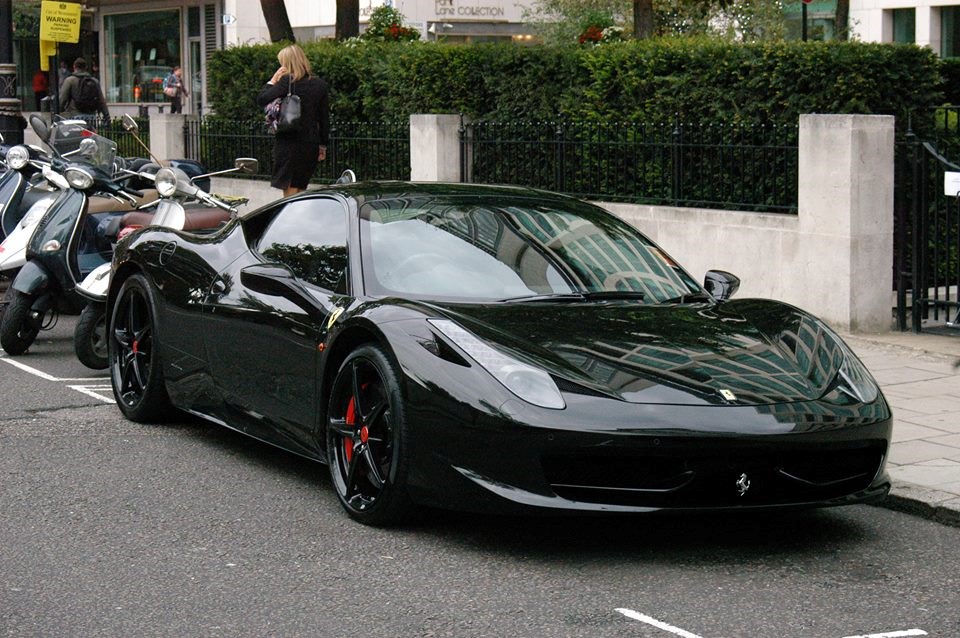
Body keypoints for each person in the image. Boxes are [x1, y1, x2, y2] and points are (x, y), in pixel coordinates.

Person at [255, 44, 330, 198]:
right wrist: (322, 146)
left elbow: (262, 99)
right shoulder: (320, 85)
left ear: (287, 63)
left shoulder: (286, 82)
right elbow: (324, 119)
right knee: (300, 188)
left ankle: (290, 221)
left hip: (288, 142)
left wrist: (272, 80)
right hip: (310, 144)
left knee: (289, 191)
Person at [59, 57, 109, 127]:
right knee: (91, 137)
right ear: (86, 67)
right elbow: (101, 101)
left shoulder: (70, 80)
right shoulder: (94, 81)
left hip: (75, 116)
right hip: (91, 117)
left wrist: (58, 113)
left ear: (74, 67)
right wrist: (107, 116)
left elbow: (62, 99)